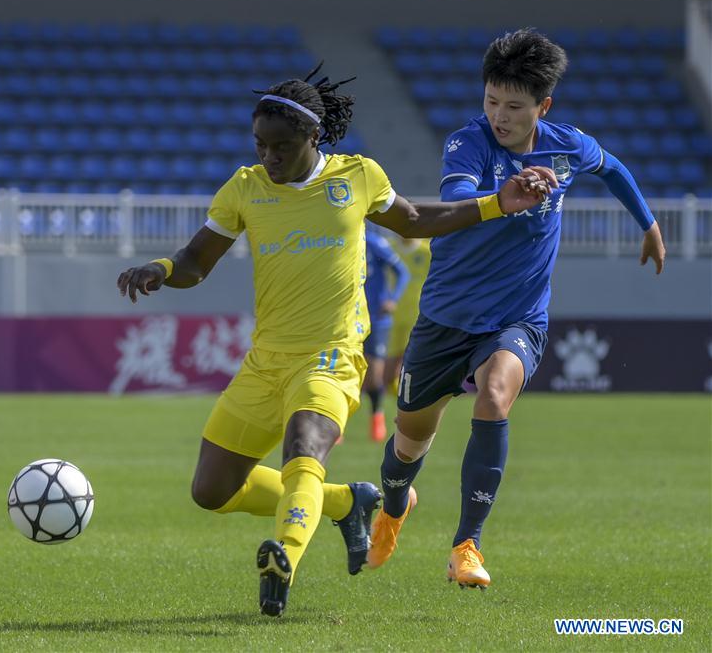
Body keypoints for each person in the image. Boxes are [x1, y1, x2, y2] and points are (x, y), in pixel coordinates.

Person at [117, 64, 557, 616]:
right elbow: (194, 262)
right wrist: (161, 268)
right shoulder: (245, 188)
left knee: (304, 448)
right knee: (212, 490)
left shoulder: (358, 177)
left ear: (313, 138)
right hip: (264, 362)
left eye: (280, 146)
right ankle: (347, 503)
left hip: (331, 356)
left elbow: (417, 218)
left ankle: (284, 561)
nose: (268, 157)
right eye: (260, 145)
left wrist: (497, 202)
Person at [367, 29, 666, 590]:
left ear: (542, 107)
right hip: (446, 317)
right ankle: (394, 504)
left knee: (496, 396)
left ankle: (466, 545)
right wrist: (510, 194)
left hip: (516, 317)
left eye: (514, 106)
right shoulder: (468, 143)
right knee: (408, 445)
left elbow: (614, 168)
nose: (499, 116)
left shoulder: (565, 145)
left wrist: (647, 224)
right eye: (491, 101)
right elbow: (456, 203)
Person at [362, 223, 410, 442]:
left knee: (373, 376)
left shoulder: (373, 242)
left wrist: (392, 299)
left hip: (377, 319)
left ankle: (376, 415)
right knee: (346, 372)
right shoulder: (336, 243)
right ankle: (337, 425)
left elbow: (402, 272)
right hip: (348, 318)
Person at [384, 236, 431, 396]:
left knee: (412, 363)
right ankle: (403, 400)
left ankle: (415, 400)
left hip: (418, 315)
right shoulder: (387, 247)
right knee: (389, 373)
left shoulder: (428, 250)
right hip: (391, 316)